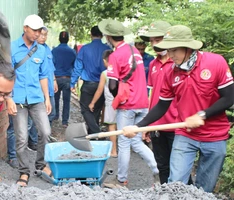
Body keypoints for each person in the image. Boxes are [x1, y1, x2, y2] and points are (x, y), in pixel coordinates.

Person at [123, 25, 234, 193]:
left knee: (204, 190)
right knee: (175, 185)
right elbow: (161, 105)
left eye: (174, 50)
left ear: (188, 48)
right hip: (185, 134)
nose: (171, 55)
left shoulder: (215, 62)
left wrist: (203, 114)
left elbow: (229, 97)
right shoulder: (170, 73)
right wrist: (139, 126)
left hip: (215, 135)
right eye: (169, 50)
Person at [98, 19, 159, 187]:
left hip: (128, 105)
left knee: (124, 142)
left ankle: (121, 180)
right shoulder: (134, 50)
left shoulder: (116, 55)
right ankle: (157, 169)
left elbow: (112, 85)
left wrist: (118, 99)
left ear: (108, 36)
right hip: (143, 102)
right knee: (137, 142)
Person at [7, 14, 52, 187]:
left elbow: (43, 76)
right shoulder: (12, 48)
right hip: (18, 98)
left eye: (40, 30)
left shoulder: (41, 50)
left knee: (46, 132)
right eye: (34, 30)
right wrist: (8, 99)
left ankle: (40, 165)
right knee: (22, 138)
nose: (37, 33)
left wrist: (47, 98)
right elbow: (7, 76)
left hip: (36, 98)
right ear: (25, 28)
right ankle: (24, 172)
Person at [139, 20, 175, 184]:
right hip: (157, 124)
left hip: (175, 124)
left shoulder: (178, 63)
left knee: (178, 167)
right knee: (162, 165)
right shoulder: (153, 64)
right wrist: (148, 124)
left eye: (157, 40)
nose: (154, 44)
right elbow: (152, 95)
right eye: (152, 41)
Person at [71, 26, 111, 135]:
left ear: (91, 34)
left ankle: (97, 133)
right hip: (103, 85)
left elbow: (78, 67)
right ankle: (93, 136)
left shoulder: (84, 48)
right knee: (96, 111)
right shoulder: (107, 50)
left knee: (85, 110)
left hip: (88, 85)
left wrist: (73, 82)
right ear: (102, 35)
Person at [29, 27, 58, 144]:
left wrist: (54, 80)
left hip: (49, 87)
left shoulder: (47, 49)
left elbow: (50, 68)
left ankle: (46, 137)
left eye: (45, 35)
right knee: (34, 118)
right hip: (37, 90)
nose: (43, 37)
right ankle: (34, 141)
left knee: (51, 113)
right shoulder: (32, 49)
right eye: (41, 35)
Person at [88, 49, 117, 157]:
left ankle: (114, 151)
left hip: (111, 103)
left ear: (105, 61)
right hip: (123, 103)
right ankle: (124, 150)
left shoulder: (105, 73)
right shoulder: (121, 71)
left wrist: (92, 103)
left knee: (112, 126)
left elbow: (99, 90)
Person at [52, 31, 76, 127]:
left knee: (55, 98)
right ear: (68, 39)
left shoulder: (53, 51)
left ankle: (56, 116)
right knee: (66, 101)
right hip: (67, 78)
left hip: (56, 79)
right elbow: (75, 66)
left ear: (59, 39)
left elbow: (51, 65)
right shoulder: (72, 52)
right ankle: (65, 121)